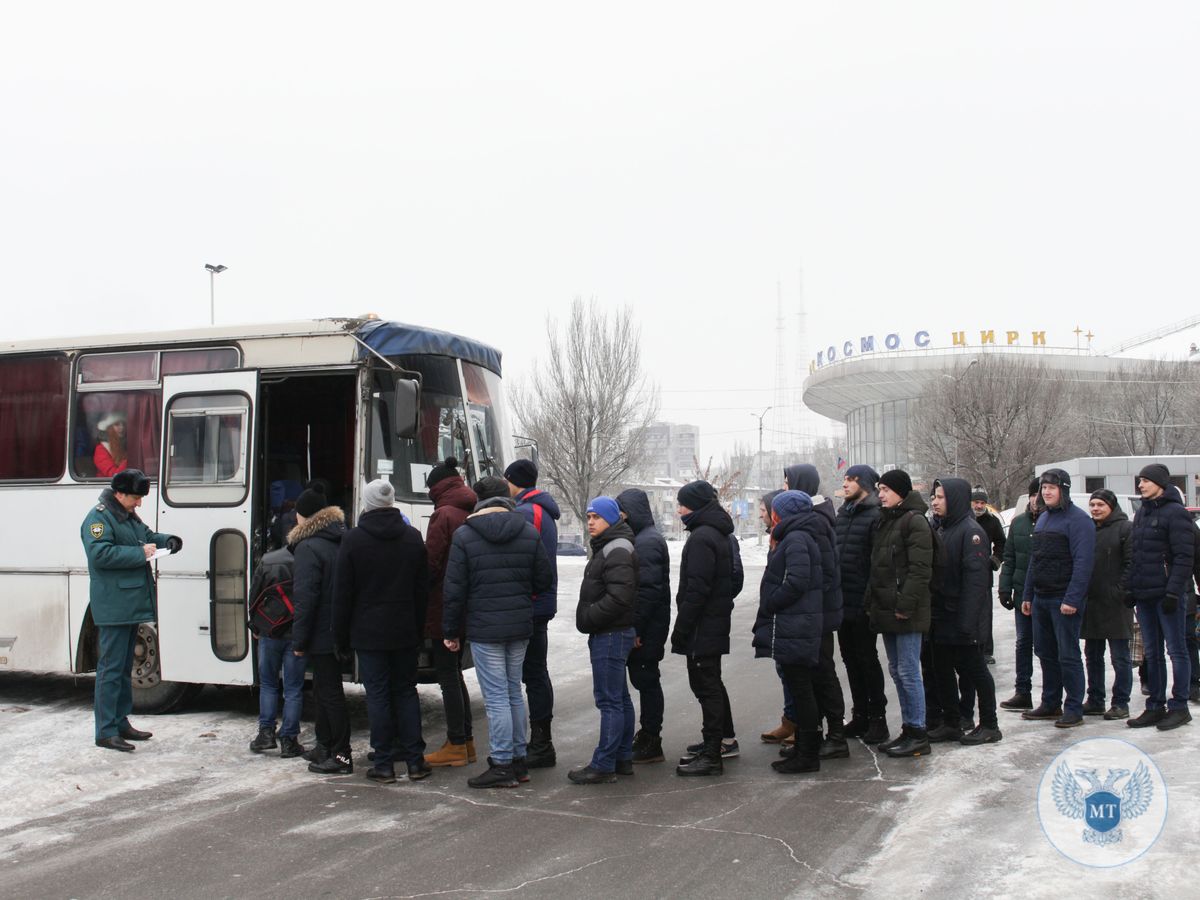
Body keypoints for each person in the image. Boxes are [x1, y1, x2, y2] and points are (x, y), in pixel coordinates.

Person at [443, 476, 553, 788]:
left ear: (478, 501)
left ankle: (502, 763)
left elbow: (454, 590)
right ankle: (518, 760)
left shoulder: (465, 535)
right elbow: (544, 579)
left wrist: (451, 631)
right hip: (519, 625)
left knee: (496, 698)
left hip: (484, 627)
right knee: (512, 691)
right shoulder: (527, 531)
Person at [334, 479, 430, 784]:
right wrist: (417, 629)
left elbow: (342, 594)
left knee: (377, 696)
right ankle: (416, 761)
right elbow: (422, 590)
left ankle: (384, 763)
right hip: (404, 630)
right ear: (390, 503)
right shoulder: (413, 538)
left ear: (367, 503)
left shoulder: (353, 540)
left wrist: (341, 637)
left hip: (368, 632)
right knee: (406, 692)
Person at [81, 469, 181, 751]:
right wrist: (140, 554)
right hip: (114, 605)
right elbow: (99, 554)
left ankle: (121, 722)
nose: (139, 503)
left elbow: (146, 535)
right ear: (120, 493)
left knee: (123, 668)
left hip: (128, 604)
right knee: (110, 669)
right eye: (135, 498)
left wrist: (167, 541)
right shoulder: (99, 518)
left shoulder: (126, 515)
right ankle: (105, 730)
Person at [754, 491, 828, 774]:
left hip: (796, 624)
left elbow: (797, 580)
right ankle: (803, 749)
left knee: (802, 689)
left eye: (773, 510)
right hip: (796, 623)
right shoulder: (796, 536)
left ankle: (808, 754)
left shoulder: (797, 538)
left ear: (781, 513)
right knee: (800, 689)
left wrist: (772, 601)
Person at [927, 478, 1001, 745]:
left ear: (955, 500)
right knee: (942, 670)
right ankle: (952, 722)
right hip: (942, 616)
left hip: (962, 619)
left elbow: (976, 583)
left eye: (941, 497)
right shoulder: (943, 528)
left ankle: (990, 724)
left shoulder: (972, 533)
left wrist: (967, 624)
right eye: (934, 497)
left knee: (976, 671)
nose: (934, 501)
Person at [672, 480, 739, 776]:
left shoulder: (702, 537)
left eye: (682, 504)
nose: (678, 511)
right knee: (711, 683)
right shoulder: (716, 533)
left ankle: (713, 753)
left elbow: (696, 589)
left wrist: (682, 628)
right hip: (712, 622)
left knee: (706, 686)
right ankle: (719, 740)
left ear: (696, 506)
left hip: (702, 625)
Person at [571, 497, 639, 785]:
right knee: (619, 698)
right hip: (612, 632)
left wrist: (589, 617)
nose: (591, 522)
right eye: (588, 517)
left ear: (612, 519)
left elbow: (620, 597)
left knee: (609, 701)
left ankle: (604, 764)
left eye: (596, 517)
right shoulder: (611, 546)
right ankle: (622, 757)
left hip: (610, 633)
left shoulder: (617, 549)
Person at [1021, 468, 1096, 729]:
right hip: (1041, 598)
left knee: (1068, 655)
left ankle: (1073, 706)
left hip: (1064, 601)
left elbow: (1084, 564)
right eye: (1043, 488)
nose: (1047, 492)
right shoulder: (1042, 519)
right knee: (1045, 652)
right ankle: (1050, 702)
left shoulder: (1079, 521)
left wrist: (1072, 598)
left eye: (1052, 487)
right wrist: (1028, 594)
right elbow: (1035, 559)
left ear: (1063, 489)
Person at [867, 470, 933, 758]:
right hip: (888, 609)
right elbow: (879, 567)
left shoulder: (914, 521)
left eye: (885, 489)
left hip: (907, 611)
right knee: (896, 670)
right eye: (879, 489)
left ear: (901, 492)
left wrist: (905, 605)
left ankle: (918, 732)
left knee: (908, 671)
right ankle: (908, 727)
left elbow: (920, 570)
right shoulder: (887, 519)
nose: (880, 494)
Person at [783, 463, 847, 760]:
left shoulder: (816, 519)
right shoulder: (813, 517)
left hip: (818, 613)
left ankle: (835, 735)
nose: (783, 486)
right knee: (814, 674)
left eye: (787, 482)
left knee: (822, 672)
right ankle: (816, 733)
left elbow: (821, 573)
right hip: (815, 611)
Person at [1127, 463, 1195, 731]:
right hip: (1144, 595)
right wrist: (1131, 588)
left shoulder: (1176, 513)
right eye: (1139, 481)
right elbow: (1136, 555)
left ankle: (1180, 706)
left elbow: (1183, 557)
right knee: (1152, 653)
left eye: (1145, 481)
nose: (1141, 485)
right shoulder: (1142, 512)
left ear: (1160, 483)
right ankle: (1155, 705)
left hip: (1167, 596)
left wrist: (1173, 591)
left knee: (1177, 651)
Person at [289, 485, 350, 774]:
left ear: (304, 516)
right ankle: (324, 746)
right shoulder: (342, 538)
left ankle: (341, 754)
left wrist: (299, 639)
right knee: (325, 691)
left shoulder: (308, 547)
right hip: (340, 626)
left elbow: (305, 598)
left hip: (321, 631)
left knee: (330, 693)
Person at [505, 459, 562, 769]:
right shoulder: (536, 509)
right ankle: (539, 741)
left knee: (533, 674)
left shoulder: (529, 512)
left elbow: (528, 561)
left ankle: (541, 743)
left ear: (515, 481)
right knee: (534, 672)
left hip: (532, 604)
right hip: (537, 603)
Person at [422, 458, 478, 768]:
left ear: (437, 487)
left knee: (447, 677)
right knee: (455, 675)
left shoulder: (443, 514)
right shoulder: (469, 509)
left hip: (443, 606)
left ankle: (456, 742)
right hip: (466, 605)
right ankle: (465, 741)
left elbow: (431, 564)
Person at [616, 488, 672, 764]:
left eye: (622, 512)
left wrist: (635, 630)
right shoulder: (643, 537)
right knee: (645, 679)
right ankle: (648, 736)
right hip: (649, 625)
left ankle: (651, 739)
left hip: (648, 628)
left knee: (647, 680)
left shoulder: (647, 542)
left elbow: (648, 591)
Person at [833, 464, 887, 745]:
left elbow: (877, 565)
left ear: (865, 483)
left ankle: (878, 719)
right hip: (843, 602)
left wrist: (869, 601)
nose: (845, 484)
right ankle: (860, 715)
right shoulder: (842, 514)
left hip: (864, 604)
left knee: (867, 661)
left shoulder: (876, 515)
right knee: (850, 661)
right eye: (844, 479)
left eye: (851, 480)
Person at [247, 540, 307, 758]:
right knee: (293, 689)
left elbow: (255, 595)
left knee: (269, 684)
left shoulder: (268, 560)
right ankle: (289, 741)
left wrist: (255, 625)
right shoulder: (308, 561)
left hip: (269, 630)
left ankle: (265, 734)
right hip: (296, 633)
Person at [1081, 489, 1134, 721]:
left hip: (1116, 604)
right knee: (1092, 654)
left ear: (1111, 507)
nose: (1095, 509)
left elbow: (1132, 564)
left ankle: (1121, 702)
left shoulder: (1125, 528)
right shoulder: (1088, 529)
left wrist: (1119, 592)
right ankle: (1095, 699)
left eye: (1100, 505)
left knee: (1120, 657)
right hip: (1091, 602)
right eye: (1092, 505)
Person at [998, 479, 1041, 710]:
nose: (1036, 498)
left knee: (1047, 647)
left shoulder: (1052, 521)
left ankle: (1053, 694)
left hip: (1046, 596)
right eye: (1033, 494)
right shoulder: (1019, 523)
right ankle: (1022, 691)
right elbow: (1010, 557)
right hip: (1021, 595)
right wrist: (1005, 588)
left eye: (1041, 493)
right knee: (1023, 643)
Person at [969, 487, 1006, 665]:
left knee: (984, 615)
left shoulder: (992, 522)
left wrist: (995, 560)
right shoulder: (964, 519)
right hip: (965, 574)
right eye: (976, 502)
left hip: (984, 574)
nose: (979, 506)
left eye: (982, 503)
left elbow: (1001, 543)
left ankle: (986, 650)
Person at [93, 411, 129, 477]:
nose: (122, 427)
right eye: (117, 424)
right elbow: (113, 475)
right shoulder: (101, 449)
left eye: (124, 424)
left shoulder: (126, 445)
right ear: (109, 428)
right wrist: (130, 458)